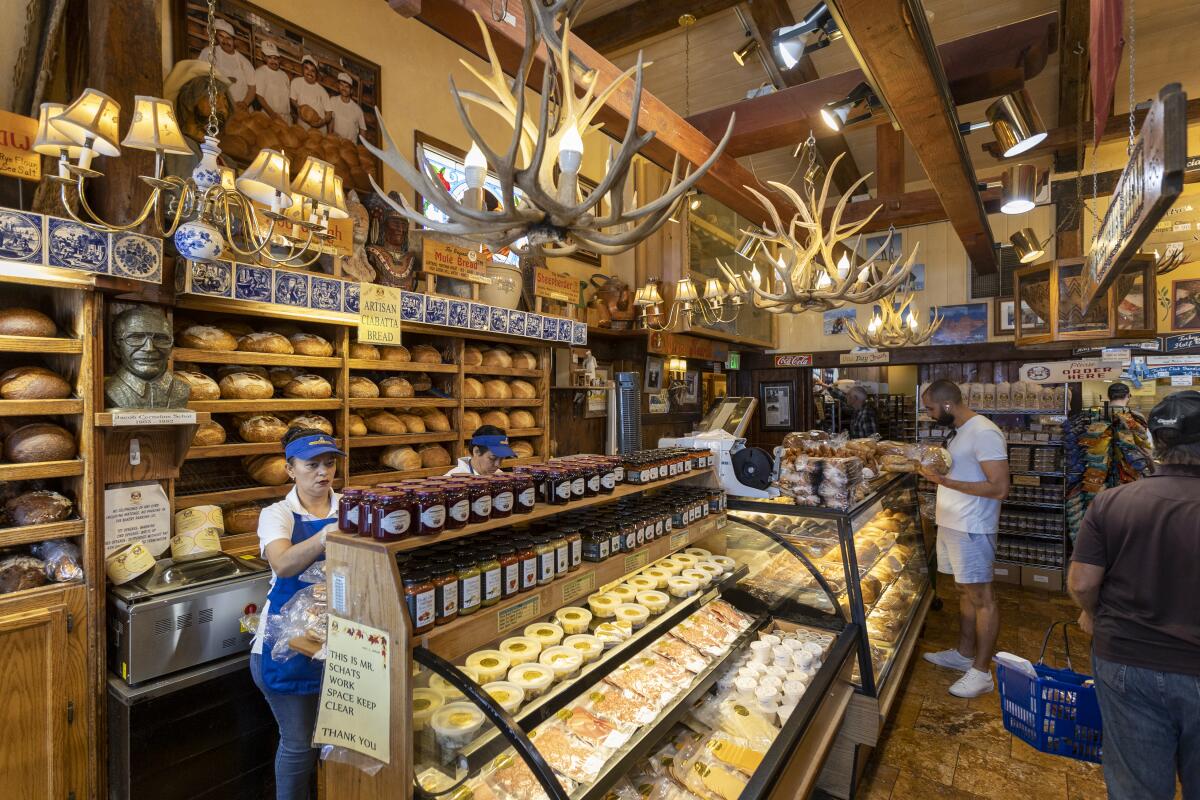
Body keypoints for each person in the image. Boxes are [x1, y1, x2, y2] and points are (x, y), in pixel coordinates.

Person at [1068, 391, 1200, 799]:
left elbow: (1082, 583)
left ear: (1155, 444)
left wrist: (1093, 614)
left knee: (1135, 788)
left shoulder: (1111, 502)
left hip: (1125, 659)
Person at [251, 427, 345, 800]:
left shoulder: (347, 504)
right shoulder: (277, 514)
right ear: (290, 469)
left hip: (334, 639)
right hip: (285, 647)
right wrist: (326, 535)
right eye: (312, 465)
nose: (323, 472)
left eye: (329, 463)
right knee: (297, 745)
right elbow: (284, 563)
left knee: (333, 742)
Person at [919, 379, 1009, 698]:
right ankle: (964, 653)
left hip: (972, 525)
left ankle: (982, 672)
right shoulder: (959, 432)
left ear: (946, 405)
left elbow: (999, 487)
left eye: (930, 408)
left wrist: (944, 481)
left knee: (982, 597)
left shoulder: (984, 432)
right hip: (954, 524)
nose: (928, 414)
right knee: (964, 591)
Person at [104, 306, 191, 409]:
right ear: (116, 348)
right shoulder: (110, 389)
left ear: (171, 348)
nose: (149, 348)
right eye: (136, 337)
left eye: (160, 338)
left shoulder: (182, 389)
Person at [198, 18, 255, 111]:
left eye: (228, 38)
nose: (225, 41)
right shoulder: (208, 53)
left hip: (241, 109)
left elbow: (252, 88)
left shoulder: (244, 61)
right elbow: (200, 78)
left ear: (234, 41)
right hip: (217, 107)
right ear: (216, 37)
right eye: (221, 36)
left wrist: (245, 103)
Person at [445, 425, 516, 475]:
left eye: (501, 459)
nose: (498, 465)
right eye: (492, 458)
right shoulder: (452, 481)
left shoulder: (499, 475)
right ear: (476, 451)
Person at [254, 40, 292, 123]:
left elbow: (287, 99)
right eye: (269, 57)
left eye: (275, 58)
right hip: (268, 116)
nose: (273, 61)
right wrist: (273, 115)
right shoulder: (260, 72)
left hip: (286, 118)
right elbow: (259, 97)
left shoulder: (284, 75)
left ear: (279, 60)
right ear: (263, 57)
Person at [290, 55, 330, 131]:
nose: (309, 73)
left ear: (316, 73)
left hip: (319, 130)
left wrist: (322, 122)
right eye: (306, 68)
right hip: (302, 127)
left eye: (313, 71)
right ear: (302, 69)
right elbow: (293, 99)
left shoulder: (322, 91)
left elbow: (329, 113)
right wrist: (298, 107)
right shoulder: (296, 82)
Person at [328, 72, 367, 141]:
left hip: (350, 146)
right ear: (338, 86)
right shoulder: (333, 101)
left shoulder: (358, 110)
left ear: (351, 90)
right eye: (342, 85)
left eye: (347, 86)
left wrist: (361, 148)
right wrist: (329, 136)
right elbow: (331, 120)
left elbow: (363, 130)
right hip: (336, 142)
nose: (344, 88)